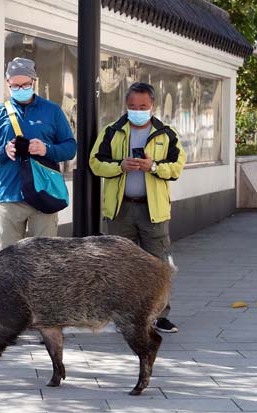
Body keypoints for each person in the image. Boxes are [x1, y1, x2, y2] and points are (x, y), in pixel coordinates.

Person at [89, 82, 187, 334]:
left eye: (143, 106)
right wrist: (120, 166)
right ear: (126, 105)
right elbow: (95, 163)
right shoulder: (113, 131)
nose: (137, 110)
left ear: (152, 106)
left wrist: (152, 167)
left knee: (159, 264)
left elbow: (176, 168)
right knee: (119, 265)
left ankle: (160, 316)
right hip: (120, 209)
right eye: (132, 106)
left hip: (153, 211)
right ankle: (121, 315)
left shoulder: (166, 134)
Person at [0, 57, 77, 251]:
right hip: (10, 196)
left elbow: (70, 148)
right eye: (15, 85)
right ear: (8, 84)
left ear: (35, 81)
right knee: (6, 262)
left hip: (45, 195)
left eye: (25, 84)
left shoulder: (52, 111)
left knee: (45, 259)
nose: (20, 89)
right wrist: (4, 151)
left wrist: (46, 149)